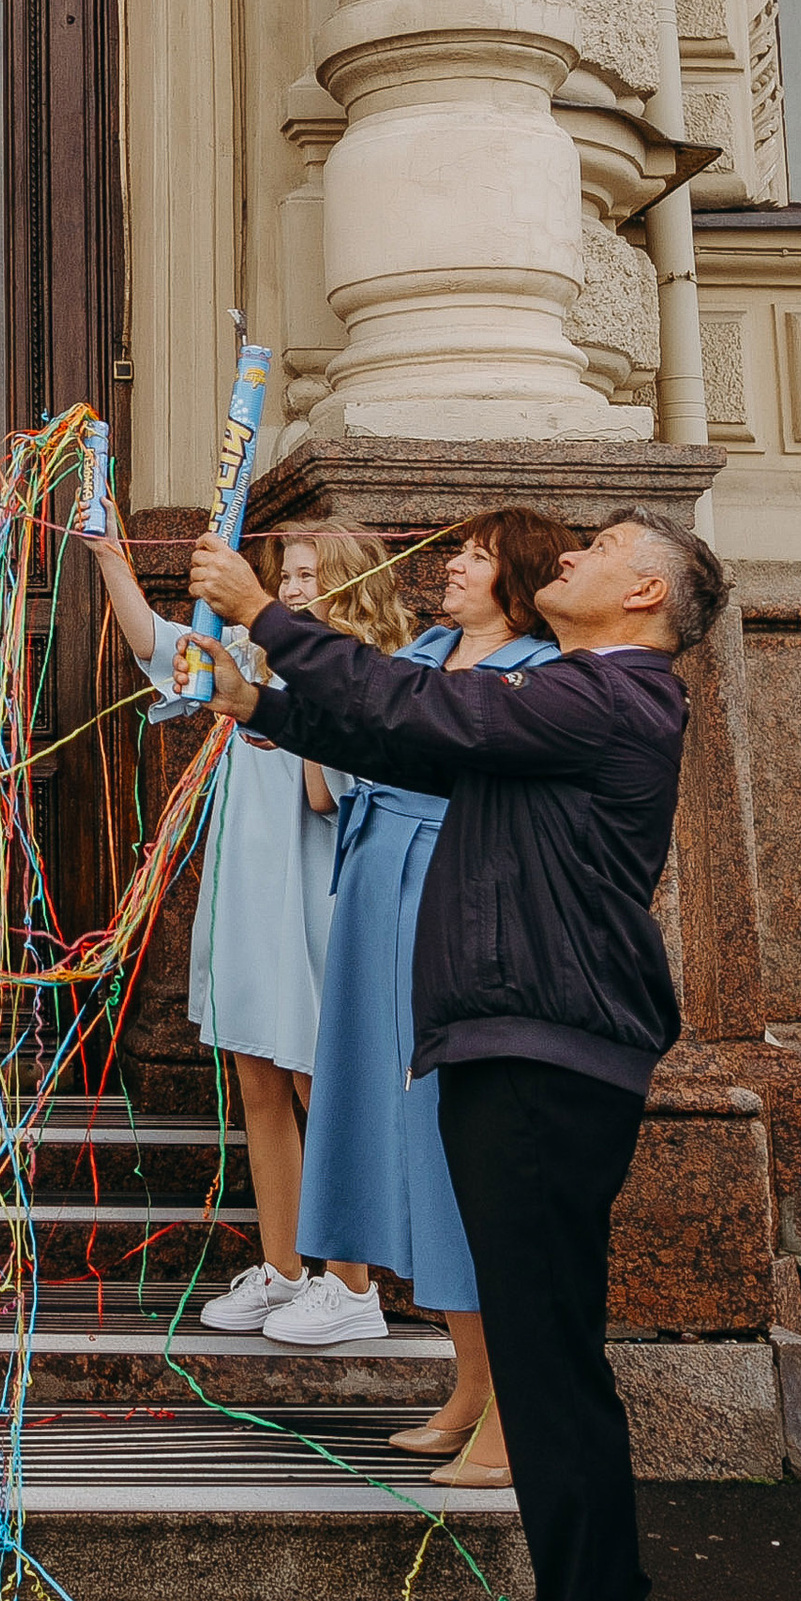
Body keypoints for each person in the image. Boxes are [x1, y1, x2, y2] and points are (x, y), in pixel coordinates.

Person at [189, 509, 725, 1601]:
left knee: (551, 1388)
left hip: (544, 1058)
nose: (571, 560)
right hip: (513, 1049)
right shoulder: (576, 700)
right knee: (555, 1382)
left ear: (643, 591)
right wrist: (259, 706)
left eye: (596, 547)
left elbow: (432, 716)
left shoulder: (614, 695)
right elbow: (402, 739)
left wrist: (268, 614)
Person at [287, 511, 571, 1476]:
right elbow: (343, 769)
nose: (451, 566)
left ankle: (510, 1407)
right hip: (374, 885)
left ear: (518, 577)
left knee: (458, 1139)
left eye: (477, 556)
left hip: (445, 891)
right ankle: (469, 1380)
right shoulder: (429, 648)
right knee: (398, 1135)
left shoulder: (539, 673)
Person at [79, 519, 378, 1334]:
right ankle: (283, 1266)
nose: (291, 588)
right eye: (287, 575)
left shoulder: (357, 676)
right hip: (249, 890)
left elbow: (327, 796)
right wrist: (113, 559)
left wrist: (305, 695)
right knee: (258, 1082)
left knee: (320, 1082)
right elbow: (159, 645)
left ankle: (350, 1285)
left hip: (312, 893)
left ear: (350, 586)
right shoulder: (247, 657)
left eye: (312, 577)